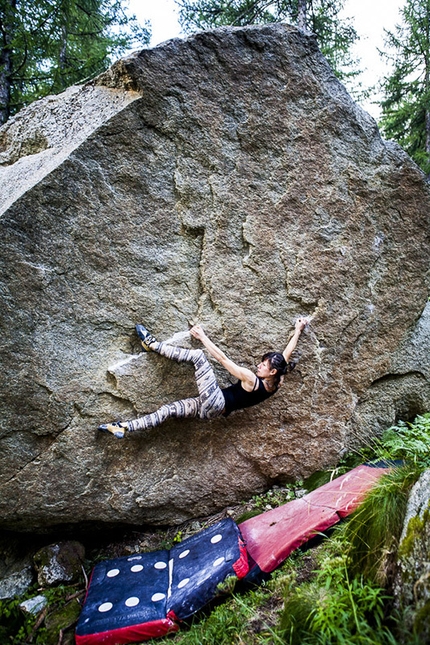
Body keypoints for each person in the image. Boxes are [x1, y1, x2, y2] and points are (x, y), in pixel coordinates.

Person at [98, 318, 309, 438]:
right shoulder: (278, 381)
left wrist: (202, 337)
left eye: (264, 365)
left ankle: (152, 345)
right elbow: (286, 354)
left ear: (271, 371)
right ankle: (125, 427)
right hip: (212, 411)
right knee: (168, 410)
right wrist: (298, 330)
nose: (259, 365)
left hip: (215, 400)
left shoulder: (251, 380)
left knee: (198, 356)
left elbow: (223, 359)